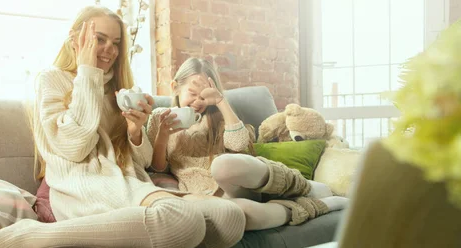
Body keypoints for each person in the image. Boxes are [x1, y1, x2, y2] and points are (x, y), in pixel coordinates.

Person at [0, 7, 246, 248]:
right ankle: (34, 237)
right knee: (183, 223)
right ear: (75, 40)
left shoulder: (118, 91)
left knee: (229, 219)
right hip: (81, 186)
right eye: (100, 39)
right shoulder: (51, 79)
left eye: (116, 42)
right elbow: (74, 147)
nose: (110, 50)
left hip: (129, 183)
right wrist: (87, 72)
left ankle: (143, 233)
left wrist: (134, 131)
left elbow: (142, 163)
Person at [147, 58, 348, 230]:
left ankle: (304, 187)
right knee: (239, 216)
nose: (198, 102)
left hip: (240, 179)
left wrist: (220, 101)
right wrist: (163, 135)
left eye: (203, 96)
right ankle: (322, 205)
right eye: (192, 93)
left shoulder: (217, 115)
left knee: (223, 165)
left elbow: (239, 144)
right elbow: (158, 168)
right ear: (175, 87)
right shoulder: (160, 118)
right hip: (210, 195)